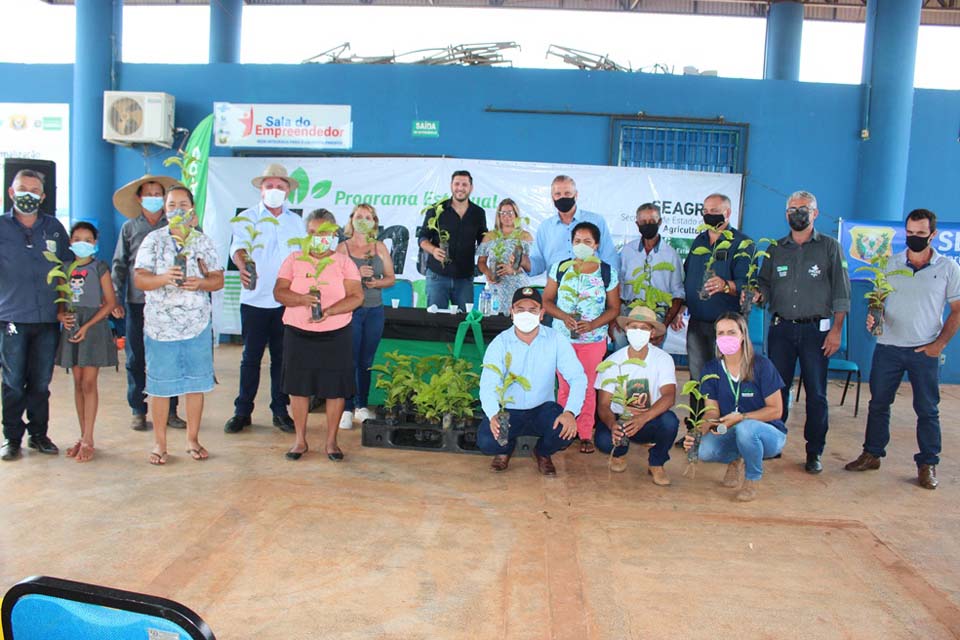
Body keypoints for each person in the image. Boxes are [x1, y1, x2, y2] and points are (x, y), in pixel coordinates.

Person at [845, 209, 960, 490]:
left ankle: (927, 463)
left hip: (924, 350)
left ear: (933, 234)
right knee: (879, 404)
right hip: (888, 348)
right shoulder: (889, 264)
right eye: (909, 232)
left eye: (921, 234)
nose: (914, 238)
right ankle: (872, 453)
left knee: (927, 409)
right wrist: (874, 317)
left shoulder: (948, 269)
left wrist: (939, 345)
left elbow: (957, 310)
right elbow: (878, 302)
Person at [756, 190, 850, 474]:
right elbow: (764, 284)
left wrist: (836, 331)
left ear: (815, 213)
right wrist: (757, 294)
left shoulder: (830, 247)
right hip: (781, 329)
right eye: (792, 209)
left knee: (816, 393)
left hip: (816, 332)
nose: (797, 213)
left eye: (803, 208)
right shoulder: (775, 248)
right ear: (786, 214)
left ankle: (814, 451)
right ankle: (774, 442)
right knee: (776, 390)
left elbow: (842, 293)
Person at [133, 185, 223, 465]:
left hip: (196, 325)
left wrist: (202, 283)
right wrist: (163, 278)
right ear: (164, 209)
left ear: (192, 210)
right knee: (160, 388)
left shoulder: (203, 242)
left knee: (195, 386)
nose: (177, 210)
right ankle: (160, 444)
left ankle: (192, 439)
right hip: (161, 328)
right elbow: (140, 280)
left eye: (183, 204)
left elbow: (217, 280)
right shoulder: (153, 240)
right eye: (171, 205)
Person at [274, 209, 363, 461]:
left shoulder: (344, 262)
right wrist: (302, 299)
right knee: (298, 388)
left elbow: (357, 296)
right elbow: (279, 292)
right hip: (298, 333)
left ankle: (331, 442)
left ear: (333, 234)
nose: (317, 238)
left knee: (335, 390)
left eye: (323, 233)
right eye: (312, 233)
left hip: (335, 334)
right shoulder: (294, 259)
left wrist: (331, 310)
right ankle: (300, 441)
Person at [225, 164, 305, 435]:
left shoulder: (296, 222)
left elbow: (303, 258)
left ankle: (280, 411)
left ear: (288, 192)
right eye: (269, 186)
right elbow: (238, 249)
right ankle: (242, 411)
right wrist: (244, 264)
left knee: (282, 360)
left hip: (286, 301)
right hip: (254, 300)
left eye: (280, 187)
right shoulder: (247, 218)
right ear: (261, 190)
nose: (274, 191)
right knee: (250, 358)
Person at [0, 169, 70, 461]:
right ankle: (12, 438)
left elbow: (67, 271)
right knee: (14, 381)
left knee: (41, 382)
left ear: (43, 196)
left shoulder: (53, 228)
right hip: (12, 318)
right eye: (22, 189)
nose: (28, 195)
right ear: (12, 193)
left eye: (34, 190)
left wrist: (65, 307)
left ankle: (39, 435)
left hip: (47, 319)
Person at [478, 287, 584, 476]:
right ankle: (505, 449)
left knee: (565, 431)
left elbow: (577, 378)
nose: (526, 314)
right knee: (487, 441)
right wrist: (494, 414)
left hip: (543, 409)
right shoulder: (500, 343)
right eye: (520, 309)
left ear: (542, 314)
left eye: (533, 309)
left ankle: (542, 452)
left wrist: (570, 412)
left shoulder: (556, 339)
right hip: (508, 410)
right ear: (512, 313)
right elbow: (488, 383)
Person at [683, 312, 787, 502]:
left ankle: (752, 478)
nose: (725, 337)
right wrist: (698, 430)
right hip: (730, 429)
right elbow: (712, 411)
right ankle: (736, 459)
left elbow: (776, 410)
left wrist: (742, 417)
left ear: (743, 335)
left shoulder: (762, 365)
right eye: (720, 333)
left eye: (731, 332)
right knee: (704, 451)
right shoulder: (711, 369)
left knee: (746, 428)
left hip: (768, 434)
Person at [111, 174, 186, 432]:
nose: (154, 198)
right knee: (135, 357)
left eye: (158, 194)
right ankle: (138, 409)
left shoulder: (176, 226)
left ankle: (171, 410)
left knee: (169, 356)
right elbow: (120, 265)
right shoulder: (129, 228)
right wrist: (115, 298)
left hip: (169, 302)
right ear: (139, 198)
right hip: (137, 302)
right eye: (149, 193)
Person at [542, 221, 620, 454]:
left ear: (596, 244)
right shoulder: (560, 268)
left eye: (587, 241)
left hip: (593, 340)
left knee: (586, 386)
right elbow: (546, 301)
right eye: (577, 241)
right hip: (562, 339)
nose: (582, 245)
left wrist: (593, 324)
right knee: (564, 385)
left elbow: (614, 308)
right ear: (571, 243)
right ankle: (563, 431)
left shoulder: (607, 272)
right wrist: (564, 317)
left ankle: (585, 433)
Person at [680, 194, 752, 422]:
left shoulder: (742, 243)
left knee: (726, 376)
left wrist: (726, 285)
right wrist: (682, 305)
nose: (709, 215)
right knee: (697, 376)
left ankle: (724, 427)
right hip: (697, 322)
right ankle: (696, 429)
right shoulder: (699, 242)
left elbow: (747, 284)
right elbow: (689, 275)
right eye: (705, 211)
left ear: (728, 213)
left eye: (714, 210)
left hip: (726, 326)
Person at [55, 222, 118, 462]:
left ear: (95, 243)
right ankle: (82, 436)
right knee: (78, 382)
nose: (82, 243)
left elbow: (110, 302)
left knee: (90, 383)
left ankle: (89, 438)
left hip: (93, 326)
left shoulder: (99, 267)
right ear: (70, 243)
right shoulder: (64, 268)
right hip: (72, 326)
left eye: (88, 239)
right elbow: (61, 304)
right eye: (78, 238)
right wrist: (62, 316)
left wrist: (88, 325)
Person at [595, 306, 679, 485]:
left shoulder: (663, 359)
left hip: (649, 419)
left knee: (670, 422)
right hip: (621, 420)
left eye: (644, 328)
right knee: (603, 440)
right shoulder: (612, 362)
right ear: (626, 329)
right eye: (633, 327)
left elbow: (669, 396)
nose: (637, 332)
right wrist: (612, 424)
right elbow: (603, 404)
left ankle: (656, 462)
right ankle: (619, 454)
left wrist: (643, 418)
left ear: (652, 332)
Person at [337, 203, 395, 429]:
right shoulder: (342, 248)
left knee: (366, 361)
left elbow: (390, 278)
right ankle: (346, 408)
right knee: (349, 359)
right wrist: (355, 274)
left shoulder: (380, 247)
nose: (363, 220)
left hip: (374, 310)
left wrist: (376, 282)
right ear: (351, 220)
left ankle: (362, 406)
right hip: (351, 310)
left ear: (374, 222)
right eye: (359, 216)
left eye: (368, 217)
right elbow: (334, 280)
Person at [616, 202, 685, 347]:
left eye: (652, 221)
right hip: (628, 311)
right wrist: (615, 318)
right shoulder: (627, 251)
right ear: (637, 224)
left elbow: (678, 293)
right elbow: (617, 286)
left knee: (649, 359)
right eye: (643, 222)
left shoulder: (671, 255)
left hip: (657, 313)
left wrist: (664, 326)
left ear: (659, 222)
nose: (647, 224)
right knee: (621, 355)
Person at [417, 170, 488, 310]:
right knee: (435, 321)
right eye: (457, 184)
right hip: (437, 276)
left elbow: (483, 241)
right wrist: (433, 250)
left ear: (471, 188)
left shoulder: (478, 213)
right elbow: (422, 238)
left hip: (465, 278)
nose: (460, 188)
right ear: (451, 185)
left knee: (464, 321)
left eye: (464, 184)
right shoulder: (436, 209)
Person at [528, 175, 619, 276]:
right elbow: (538, 264)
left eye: (567, 193)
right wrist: (522, 261)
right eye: (558, 194)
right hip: (556, 287)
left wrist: (612, 285)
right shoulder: (545, 227)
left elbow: (609, 257)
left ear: (576, 195)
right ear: (552, 197)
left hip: (591, 287)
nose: (562, 197)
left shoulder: (596, 221)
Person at [477, 198, 532, 315]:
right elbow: (481, 262)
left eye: (510, 212)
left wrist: (513, 269)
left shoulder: (525, 236)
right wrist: (488, 273)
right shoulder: (490, 236)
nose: (506, 216)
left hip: (518, 286)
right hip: (496, 287)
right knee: (495, 320)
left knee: (518, 319)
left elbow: (532, 265)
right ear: (498, 215)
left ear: (516, 214)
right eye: (503, 213)